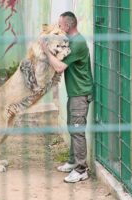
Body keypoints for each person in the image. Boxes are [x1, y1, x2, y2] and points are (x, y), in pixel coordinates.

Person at [41, 11, 94, 183]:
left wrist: (46, 51)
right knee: (73, 127)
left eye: (60, 24)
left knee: (77, 130)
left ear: (68, 25)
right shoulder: (71, 41)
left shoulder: (77, 43)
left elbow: (59, 67)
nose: (59, 26)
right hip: (75, 92)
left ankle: (81, 170)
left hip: (80, 92)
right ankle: (73, 162)